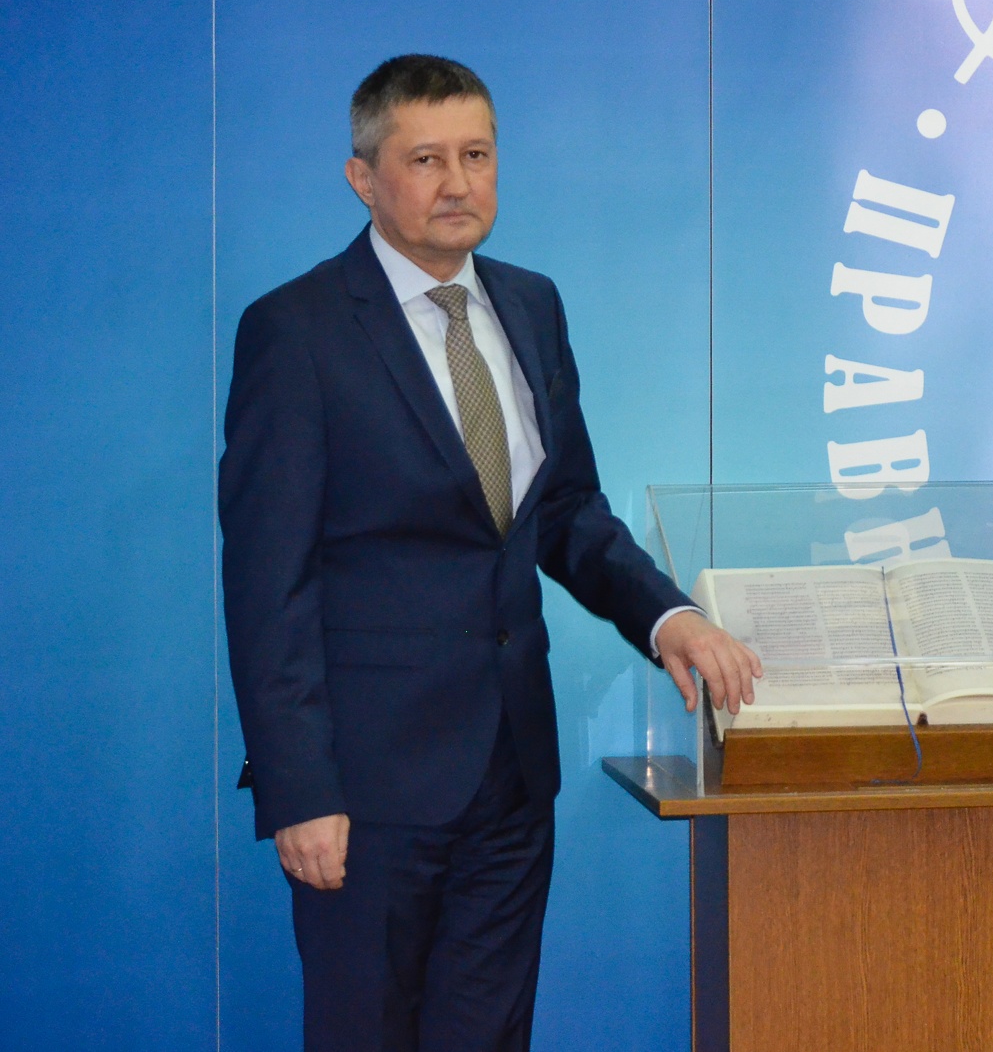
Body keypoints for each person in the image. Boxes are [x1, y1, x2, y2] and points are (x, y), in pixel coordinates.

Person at [220, 54, 762, 1052]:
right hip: (367, 795)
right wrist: (302, 791)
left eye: (476, 154)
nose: (457, 182)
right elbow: (268, 586)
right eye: (425, 159)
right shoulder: (295, 332)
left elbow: (567, 511)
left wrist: (668, 616)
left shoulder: (531, 304)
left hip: (512, 776)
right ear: (363, 177)